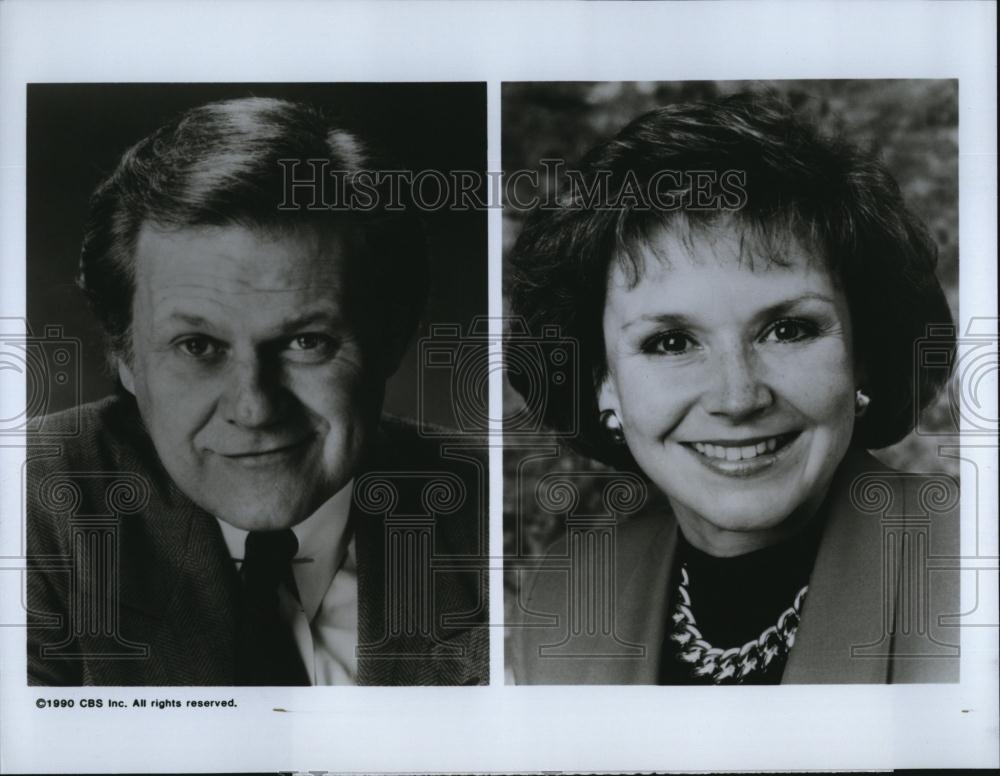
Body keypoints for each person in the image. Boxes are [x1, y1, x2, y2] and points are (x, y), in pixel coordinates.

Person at [27, 96, 487, 686]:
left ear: (391, 338)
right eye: (198, 346)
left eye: (305, 342)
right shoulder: (28, 508)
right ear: (125, 356)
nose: (254, 407)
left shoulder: (497, 521)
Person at [507, 92, 960, 684]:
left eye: (788, 330)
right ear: (602, 384)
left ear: (862, 358)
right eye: (671, 342)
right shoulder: (564, 596)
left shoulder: (971, 565)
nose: (737, 397)